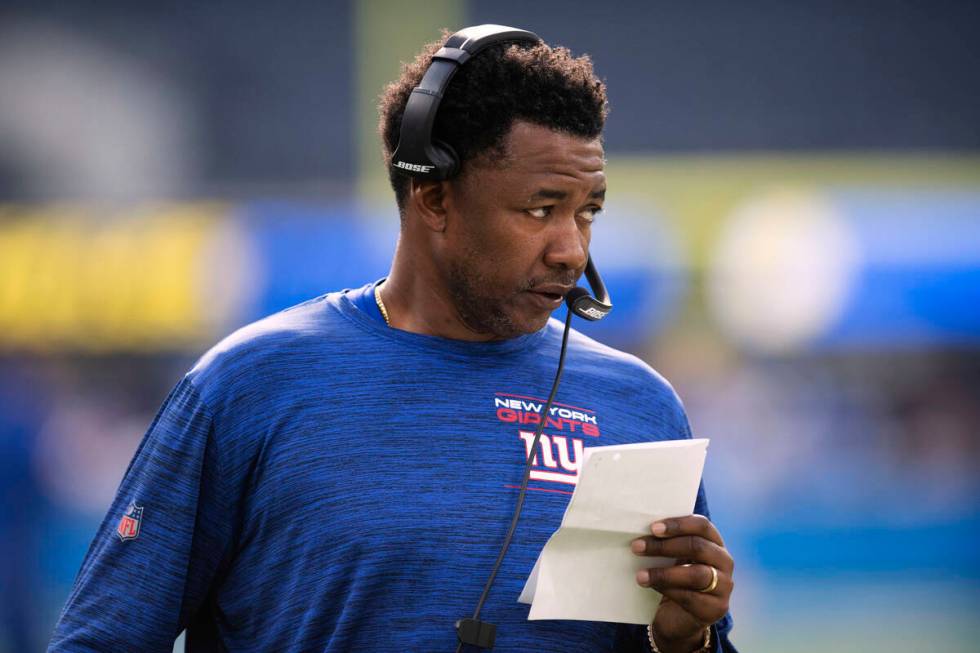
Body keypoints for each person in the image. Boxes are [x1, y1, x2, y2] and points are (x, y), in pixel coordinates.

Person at [49, 26, 736, 653]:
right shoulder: (249, 387)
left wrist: (685, 641)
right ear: (434, 199)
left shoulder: (639, 407)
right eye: (540, 209)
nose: (571, 248)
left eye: (587, 211)